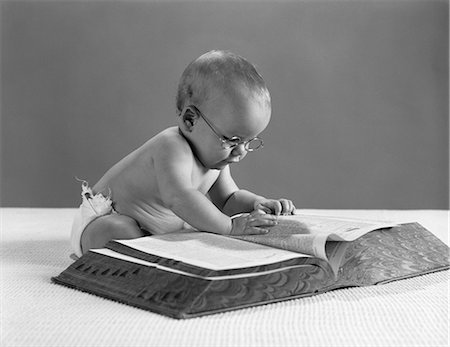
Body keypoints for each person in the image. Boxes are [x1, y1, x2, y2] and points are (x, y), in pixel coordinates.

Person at [71, 50, 295, 258]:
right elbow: (179, 198)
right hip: (103, 220)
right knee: (120, 230)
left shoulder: (216, 160)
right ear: (190, 120)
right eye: (231, 140)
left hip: (152, 232)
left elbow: (228, 200)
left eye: (248, 142)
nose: (241, 152)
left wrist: (259, 204)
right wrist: (230, 227)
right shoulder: (171, 146)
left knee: (179, 238)